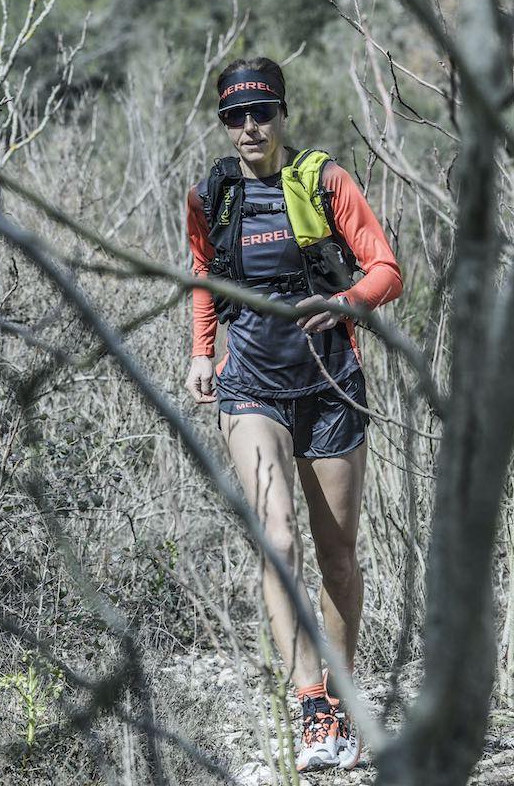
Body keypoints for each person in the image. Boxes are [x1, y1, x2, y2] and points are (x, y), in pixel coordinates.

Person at [183, 56, 402, 771]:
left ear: (282, 115)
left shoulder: (323, 180)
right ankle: (310, 705)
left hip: (331, 382)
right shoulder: (211, 194)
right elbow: (203, 278)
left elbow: (386, 269)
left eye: (262, 113)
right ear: (224, 122)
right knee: (277, 538)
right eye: (235, 116)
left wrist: (344, 304)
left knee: (337, 553)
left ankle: (340, 697)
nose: (250, 127)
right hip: (249, 385)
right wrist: (201, 351)